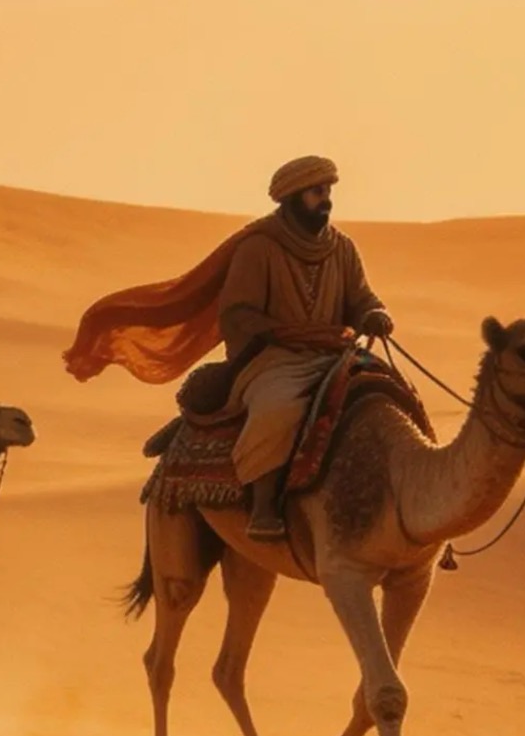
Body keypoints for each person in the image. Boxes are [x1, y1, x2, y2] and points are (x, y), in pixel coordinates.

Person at [62, 154, 393, 540]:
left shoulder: (343, 248)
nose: (326, 200)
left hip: (336, 355)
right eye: (317, 192)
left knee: (387, 396)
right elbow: (238, 314)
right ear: (292, 197)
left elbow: (362, 297)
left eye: (328, 191)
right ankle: (264, 504)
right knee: (279, 407)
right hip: (275, 360)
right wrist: (286, 333)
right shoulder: (259, 247)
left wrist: (375, 313)